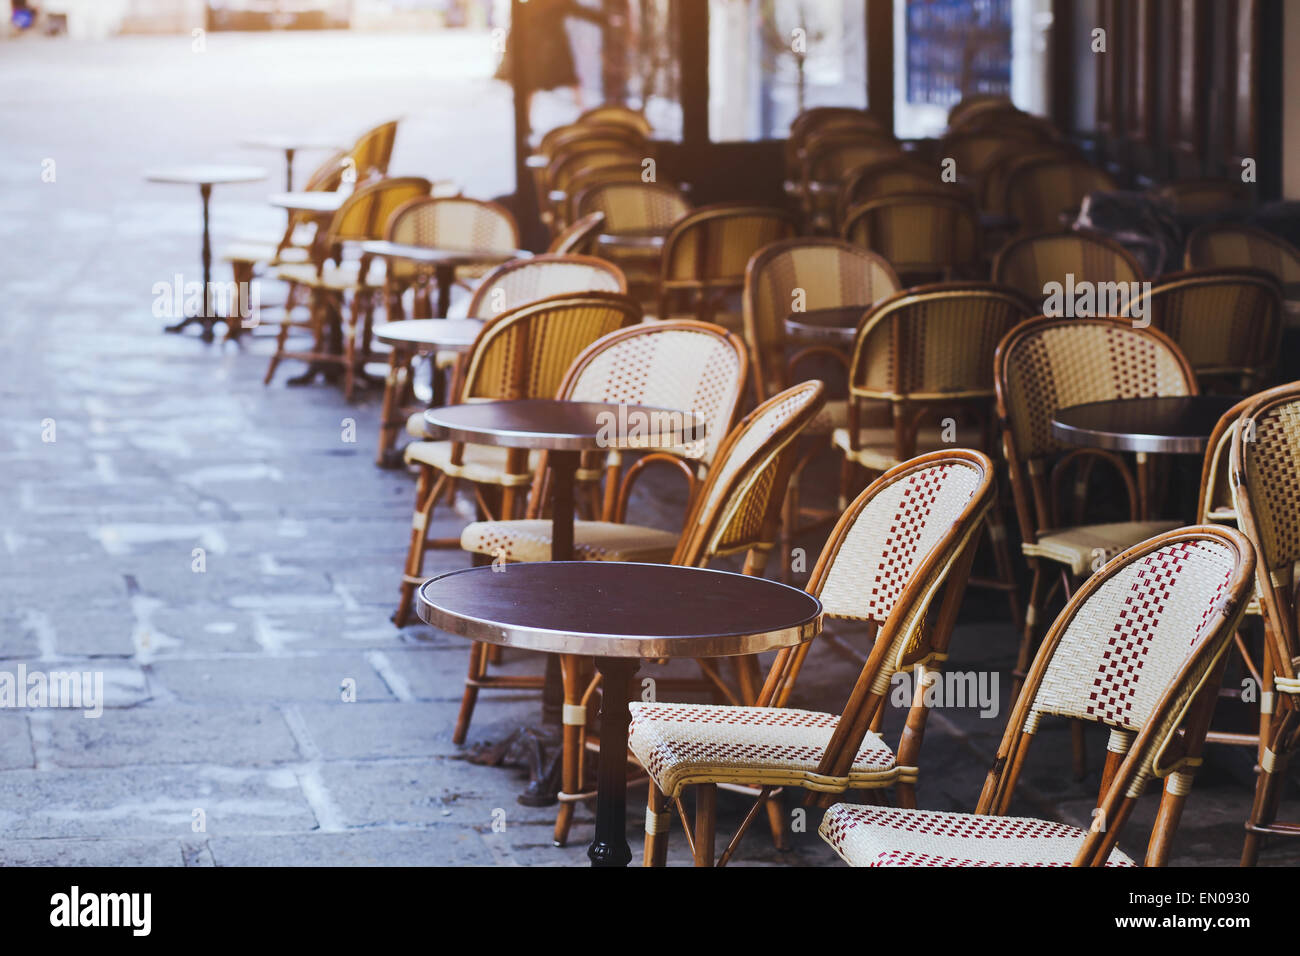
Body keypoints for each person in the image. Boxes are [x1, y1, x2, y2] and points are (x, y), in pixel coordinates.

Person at [495, 0, 606, 129]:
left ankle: (583, 114)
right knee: (541, 84)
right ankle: (584, 115)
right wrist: (605, 20)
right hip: (547, 48)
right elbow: (578, 10)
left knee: (537, 85)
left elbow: (578, 11)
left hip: (540, 47)